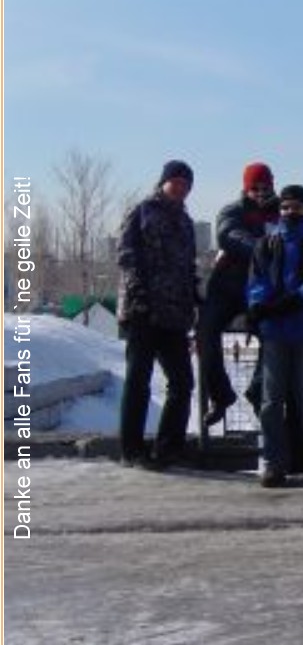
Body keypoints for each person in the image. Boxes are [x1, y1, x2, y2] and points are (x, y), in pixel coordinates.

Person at [247, 185, 303, 488]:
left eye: (296, 207)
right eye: (285, 207)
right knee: (271, 402)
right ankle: (273, 463)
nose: (289, 212)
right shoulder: (267, 242)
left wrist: (294, 299)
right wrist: (259, 305)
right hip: (276, 332)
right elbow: (256, 281)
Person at [116, 160, 200, 469]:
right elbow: (126, 255)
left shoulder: (187, 224)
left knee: (182, 382)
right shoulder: (142, 212)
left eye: (186, 183)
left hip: (174, 316)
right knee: (138, 380)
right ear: (163, 182)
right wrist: (139, 293)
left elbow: (189, 267)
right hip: (143, 311)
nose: (180, 187)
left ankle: (169, 446)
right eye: (175, 181)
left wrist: (195, 297)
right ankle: (132, 449)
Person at [198, 162, 278, 427]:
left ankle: (257, 391)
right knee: (205, 331)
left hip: (260, 290)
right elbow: (227, 234)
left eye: (264, 187)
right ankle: (220, 396)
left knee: (272, 334)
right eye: (254, 187)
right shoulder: (233, 210)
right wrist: (261, 249)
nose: (259, 192)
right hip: (227, 287)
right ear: (245, 188)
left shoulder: (280, 214)